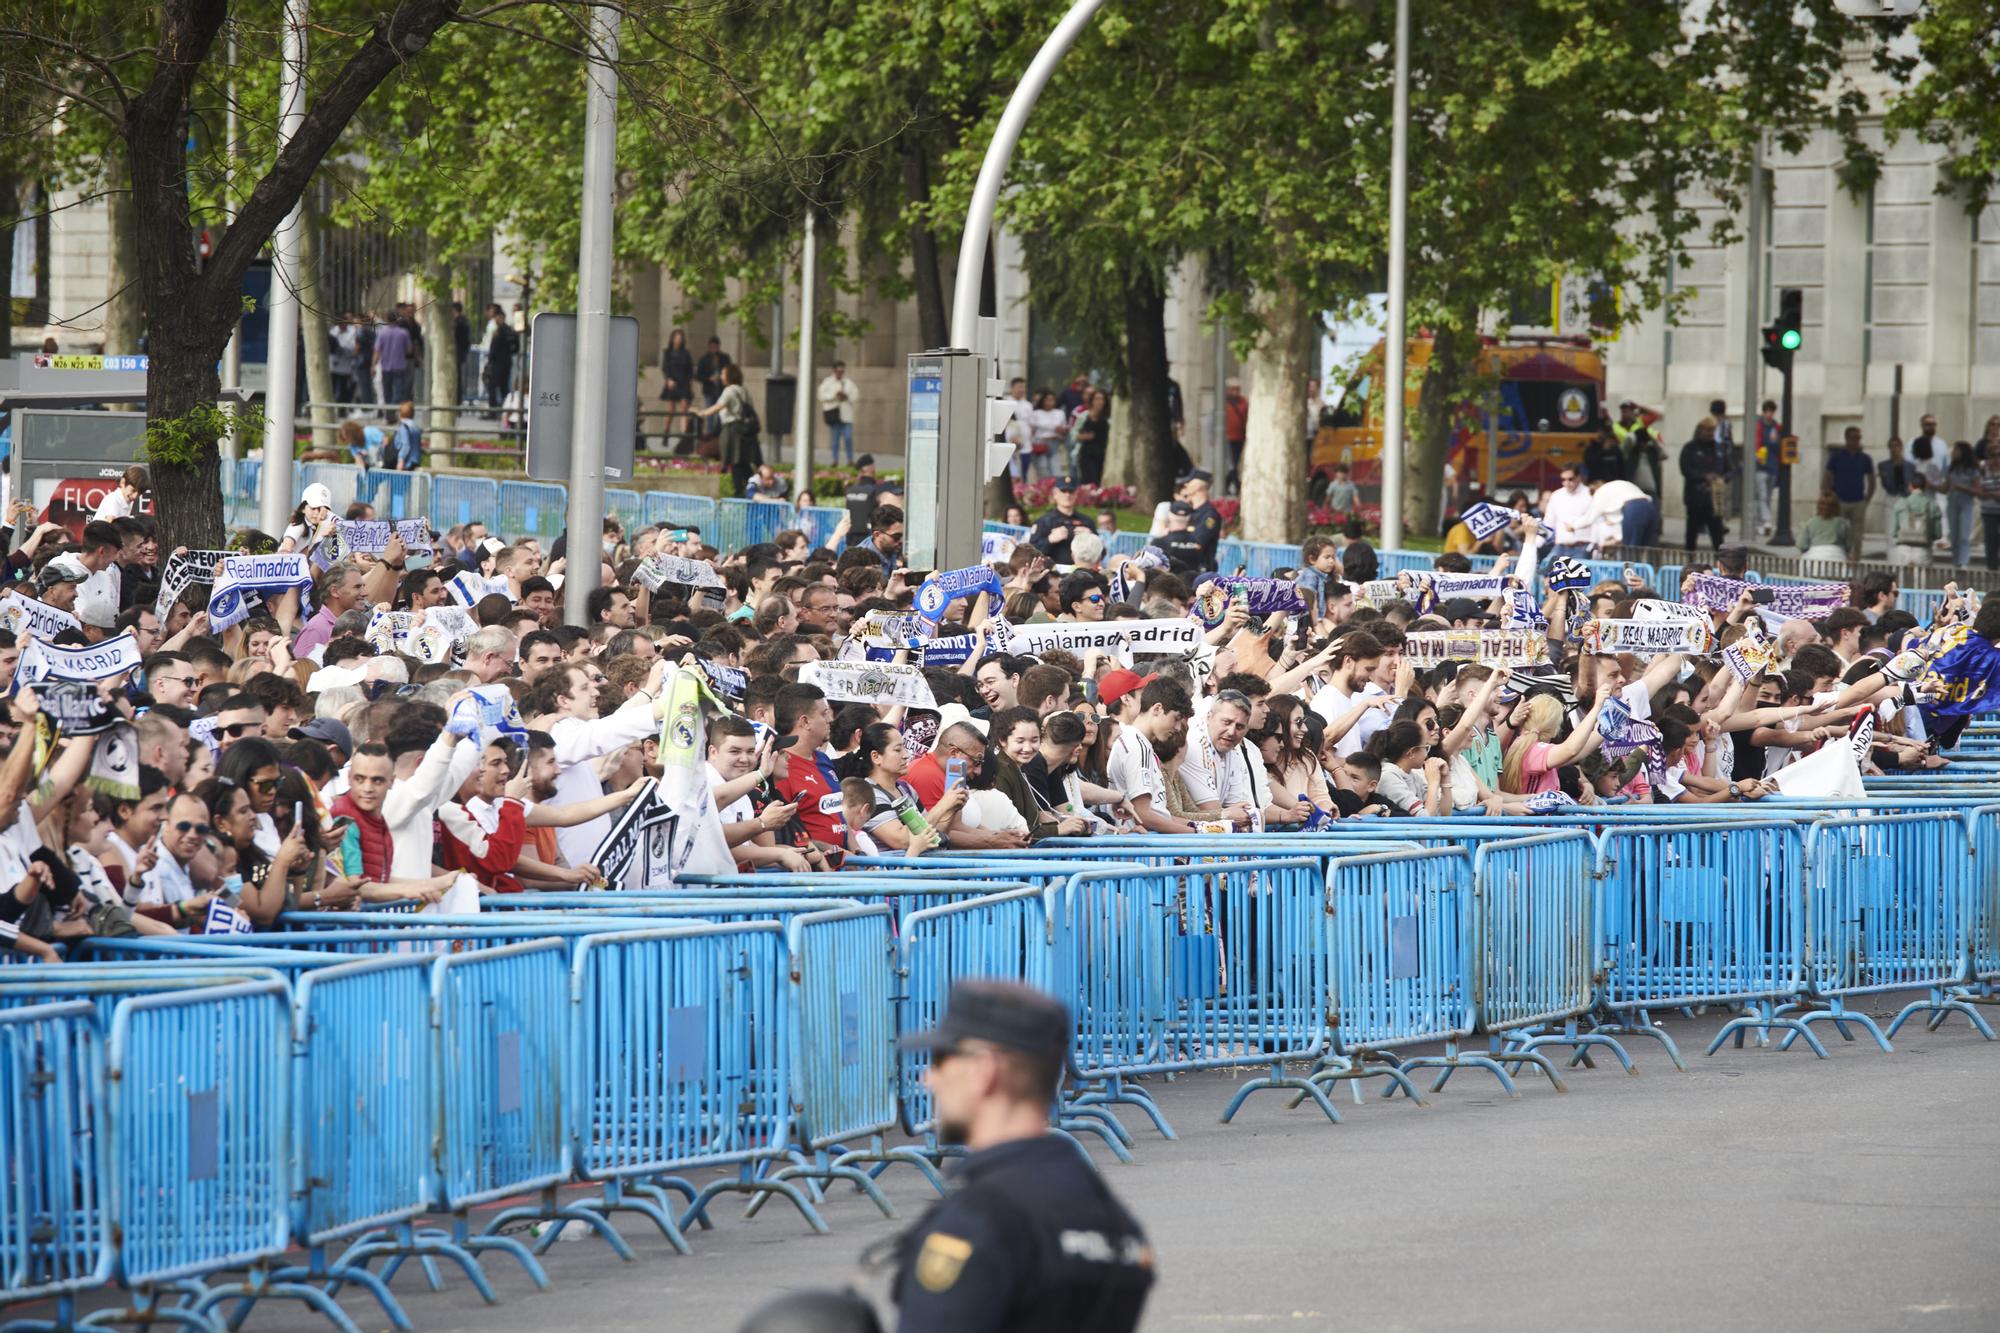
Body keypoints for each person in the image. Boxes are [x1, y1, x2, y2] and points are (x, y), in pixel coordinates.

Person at [886, 980, 1153, 1332]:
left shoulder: (975, 1223)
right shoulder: (1112, 1219)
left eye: (942, 1060)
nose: (928, 1078)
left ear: (984, 1071)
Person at [695, 363, 759, 498]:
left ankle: (738, 492)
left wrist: (702, 413)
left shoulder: (729, 391)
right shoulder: (744, 390)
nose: (721, 376)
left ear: (730, 375)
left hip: (732, 431)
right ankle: (751, 488)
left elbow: (718, 406)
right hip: (745, 431)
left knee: (734, 461)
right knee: (743, 462)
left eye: (723, 374)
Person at [1823, 427, 1875, 563]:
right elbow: (1828, 476)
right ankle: (1839, 558)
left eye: (1858, 438)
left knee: (1857, 535)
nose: (1856, 441)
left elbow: (1871, 479)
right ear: (1847, 439)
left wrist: (1867, 499)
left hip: (1858, 501)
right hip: (1839, 500)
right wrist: (1827, 494)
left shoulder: (1865, 458)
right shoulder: (1836, 457)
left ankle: (1855, 561)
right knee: (1838, 532)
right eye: (1853, 437)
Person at [1678, 419, 1727, 551]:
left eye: (1712, 430)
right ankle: (1690, 561)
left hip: (1714, 500)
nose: (1710, 433)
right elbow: (1685, 469)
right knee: (1691, 534)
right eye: (1707, 430)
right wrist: (1703, 477)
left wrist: (1720, 478)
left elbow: (1728, 469)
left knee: (1717, 535)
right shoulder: (1690, 448)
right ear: (1700, 430)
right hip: (1695, 498)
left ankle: (1721, 563)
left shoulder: (1719, 449)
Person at [1888, 472, 1943, 568]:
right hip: (1923, 551)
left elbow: (1893, 532)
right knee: (1923, 582)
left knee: (1902, 581)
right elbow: (1937, 534)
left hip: (1903, 550)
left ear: (1910, 486)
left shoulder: (1901, 503)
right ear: (1926, 486)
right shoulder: (1932, 505)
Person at [1544, 465, 1597, 560]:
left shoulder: (1590, 494)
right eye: (1563, 479)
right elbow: (1548, 523)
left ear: (1579, 477)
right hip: (1560, 546)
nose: (1566, 483)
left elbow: (1595, 521)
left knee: (1577, 574)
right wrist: (1534, 544)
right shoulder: (1556, 495)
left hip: (1582, 547)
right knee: (1546, 570)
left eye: (1570, 479)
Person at [816, 361, 859, 466]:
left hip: (846, 415)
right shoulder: (828, 382)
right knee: (835, 439)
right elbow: (821, 396)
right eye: (838, 371)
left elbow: (855, 395)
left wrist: (846, 396)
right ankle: (835, 459)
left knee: (848, 437)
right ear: (834, 371)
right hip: (834, 415)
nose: (840, 373)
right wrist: (834, 395)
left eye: (842, 371)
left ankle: (850, 459)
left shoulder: (848, 382)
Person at [659, 329, 696, 451]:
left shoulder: (686, 353)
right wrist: (669, 379)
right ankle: (666, 432)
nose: (678, 339)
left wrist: (690, 383)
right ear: (672, 339)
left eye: (680, 337)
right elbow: (665, 367)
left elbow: (690, 369)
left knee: (684, 409)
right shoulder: (667, 352)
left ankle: (684, 435)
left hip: (683, 383)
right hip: (672, 383)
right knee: (671, 410)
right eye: (676, 337)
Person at [1946, 440, 1980, 567]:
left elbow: (1977, 490)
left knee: (1964, 535)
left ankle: (1963, 562)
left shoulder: (1972, 470)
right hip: (1952, 502)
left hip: (1966, 502)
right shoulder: (1952, 468)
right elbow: (1946, 487)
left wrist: (1962, 487)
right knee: (1954, 535)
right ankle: (1956, 561)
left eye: (1956, 450)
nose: (1953, 453)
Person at [1754, 399, 1783, 539]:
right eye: (1767, 411)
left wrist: (1774, 440)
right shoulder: (1758, 426)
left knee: (1767, 496)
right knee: (1762, 495)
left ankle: (1760, 523)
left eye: (1771, 411)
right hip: (1760, 466)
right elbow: (1755, 443)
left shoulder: (1776, 428)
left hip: (1773, 466)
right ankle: (1766, 521)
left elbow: (1779, 448)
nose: (1769, 414)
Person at [482, 303, 518, 410]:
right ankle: (505, 410)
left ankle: (493, 411)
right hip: (506, 363)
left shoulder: (499, 331)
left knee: (492, 386)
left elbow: (494, 348)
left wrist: (490, 359)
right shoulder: (510, 330)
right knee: (504, 388)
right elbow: (515, 347)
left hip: (497, 363)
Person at [1071, 390, 1111, 486]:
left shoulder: (1108, 418)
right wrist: (1083, 437)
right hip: (1087, 453)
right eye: (1097, 399)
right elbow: (1073, 433)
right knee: (1089, 481)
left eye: (1102, 399)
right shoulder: (1084, 416)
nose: (1099, 401)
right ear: (1092, 401)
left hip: (1103, 454)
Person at [1221, 377, 1248, 497]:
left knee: (1235, 463)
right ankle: (1237, 485)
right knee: (1231, 463)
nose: (1235, 392)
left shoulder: (1243, 402)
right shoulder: (1223, 403)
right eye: (1232, 389)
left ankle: (1227, 485)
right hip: (1227, 438)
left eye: (1237, 389)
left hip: (1239, 437)